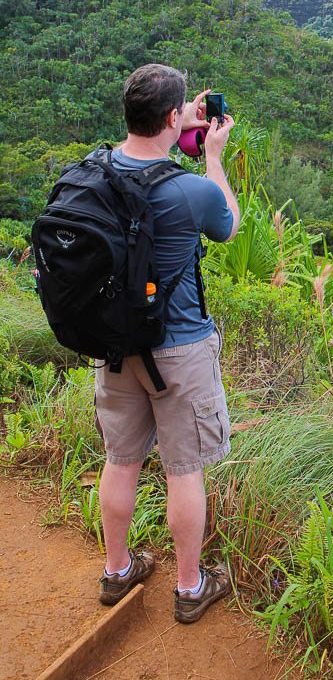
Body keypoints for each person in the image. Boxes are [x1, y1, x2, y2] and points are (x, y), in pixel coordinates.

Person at [94, 63, 240, 624]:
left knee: (122, 459)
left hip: (113, 346)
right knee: (184, 469)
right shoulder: (191, 190)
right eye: (179, 111)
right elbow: (227, 223)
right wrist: (212, 155)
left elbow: (146, 171)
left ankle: (117, 571)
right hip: (179, 349)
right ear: (170, 118)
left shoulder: (98, 170)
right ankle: (189, 586)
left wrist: (175, 127)